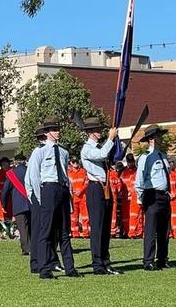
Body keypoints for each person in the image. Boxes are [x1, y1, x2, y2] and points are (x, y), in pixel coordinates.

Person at [25, 117, 81, 279]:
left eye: (58, 129)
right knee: (46, 231)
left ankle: (70, 268)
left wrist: (68, 198)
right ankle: (44, 268)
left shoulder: (63, 152)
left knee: (64, 231)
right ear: (48, 133)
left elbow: (66, 175)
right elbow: (34, 176)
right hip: (48, 189)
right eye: (55, 129)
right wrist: (39, 197)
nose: (58, 132)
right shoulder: (40, 152)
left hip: (61, 189)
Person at [80, 117, 122, 275]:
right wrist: (110, 138)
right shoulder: (87, 149)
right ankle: (97, 263)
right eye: (97, 130)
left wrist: (114, 141)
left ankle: (106, 261)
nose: (100, 132)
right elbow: (102, 154)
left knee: (105, 227)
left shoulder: (97, 146)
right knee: (97, 228)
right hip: (95, 188)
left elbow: (110, 155)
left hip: (104, 187)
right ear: (90, 133)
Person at [135, 125, 172, 271]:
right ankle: (148, 260)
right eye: (158, 136)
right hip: (152, 195)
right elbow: (139, 180)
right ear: (152, 139)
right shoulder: (145, 157)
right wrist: (141, 198)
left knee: (164, 231)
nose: (161, 138)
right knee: (151, 230)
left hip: (164, 195)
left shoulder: (162, 156)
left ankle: (162, 259)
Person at [1, 154, 31, 255]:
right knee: (32, 226)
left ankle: (26, 249)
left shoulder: (11, 173)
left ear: (16, 162)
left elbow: (5, 191)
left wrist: (3, 204)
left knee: (22, 228)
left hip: (19, 204)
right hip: (31, 203)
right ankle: (35, 247)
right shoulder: (30, 170)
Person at [120, 154, 143, 238]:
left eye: (132, 162)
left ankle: (138, 232)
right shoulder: (123, 173)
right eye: (129, 162)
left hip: (136, 197)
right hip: (126, 198)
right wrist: (124, 194)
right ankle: (127, 232)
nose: (130, 164)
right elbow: (121, 185)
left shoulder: (138, 172)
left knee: (137, 215)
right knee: (126, 217)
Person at [68, 157, 89, 238]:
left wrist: (81, 190)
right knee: (74, 217)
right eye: (73, 162)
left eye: (76, 162)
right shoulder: (68, 173)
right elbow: (68, 184)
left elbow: (87, 182)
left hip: (83, 196)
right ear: (71, 163)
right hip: (73, 197)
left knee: (85, 216)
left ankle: (86, 233)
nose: (75, 163)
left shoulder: (83, 172)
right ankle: (75, 233)